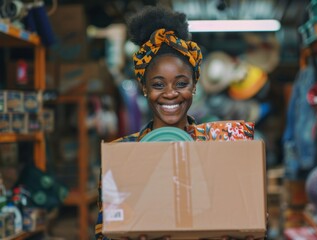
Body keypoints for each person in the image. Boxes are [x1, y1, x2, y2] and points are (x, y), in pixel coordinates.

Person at [95, 6, 255, 240]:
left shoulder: (220, 147)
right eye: (158, 84)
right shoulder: (122, 157)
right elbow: (105, 232)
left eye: (181, 84)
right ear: (144, 88)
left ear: (194, 87)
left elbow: (244, 217)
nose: (170, 94)